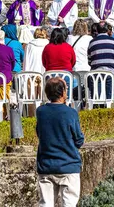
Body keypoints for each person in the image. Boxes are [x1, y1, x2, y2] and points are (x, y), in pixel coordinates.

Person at [36, 77, 84, 207]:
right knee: (69, 203)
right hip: (69, 164)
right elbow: (79, 139)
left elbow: (39, 133)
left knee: (45, 203)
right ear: (62, 93)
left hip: (46, 165)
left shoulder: (40, 112)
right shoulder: (71, 113)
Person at [87, 23, 114, 100]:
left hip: (95, 74)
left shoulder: (92, 42)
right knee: (110, 98)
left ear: (97, 30)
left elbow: (89, 61)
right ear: (107, 30)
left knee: (96, 98)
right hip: (111, 73)